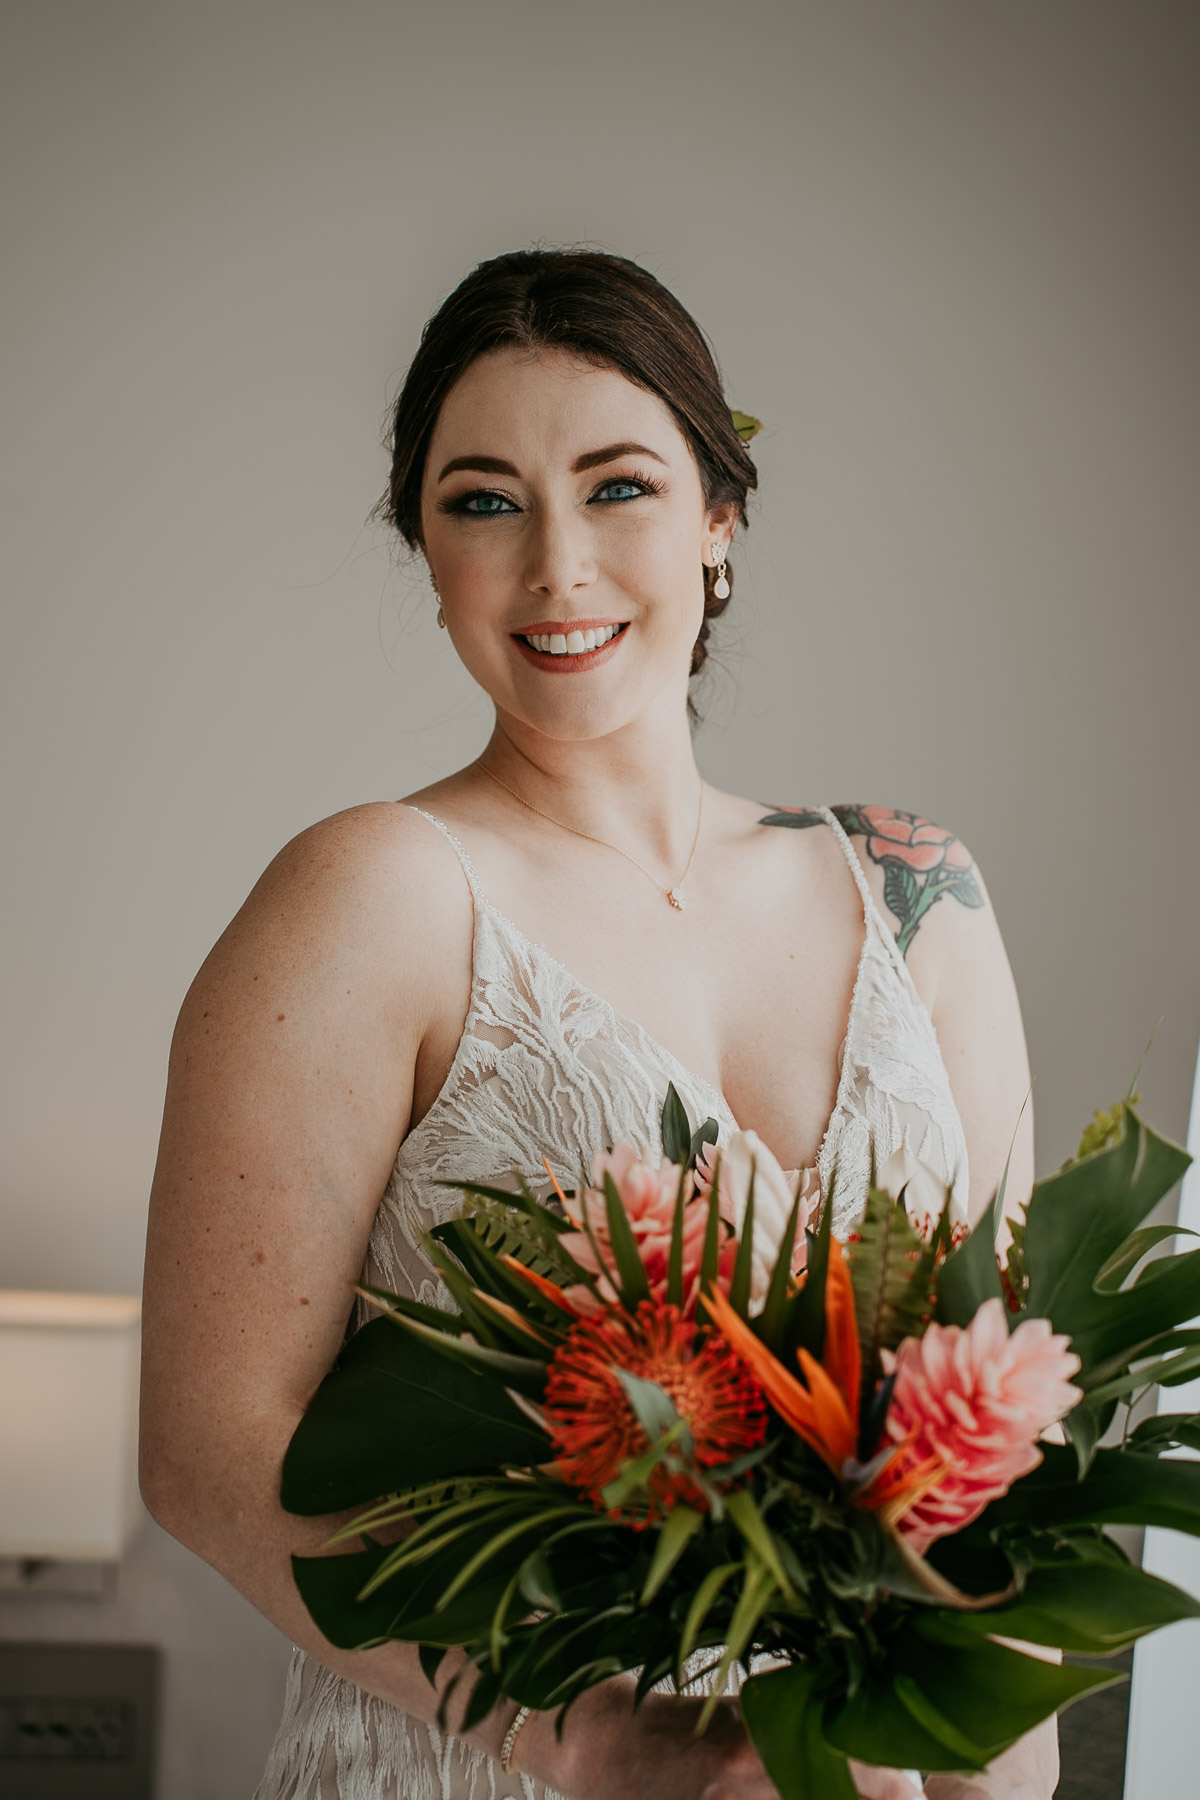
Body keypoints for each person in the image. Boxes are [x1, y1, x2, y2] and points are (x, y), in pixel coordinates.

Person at [140, 249, 1056, 1800]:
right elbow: (211, 1453)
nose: (556, 566)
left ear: (718, 518)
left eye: (618, 486)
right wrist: (589, 1736)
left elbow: (990, 1456)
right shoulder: (369, 895)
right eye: (484, 502)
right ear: (427, 552)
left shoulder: (916, 891)